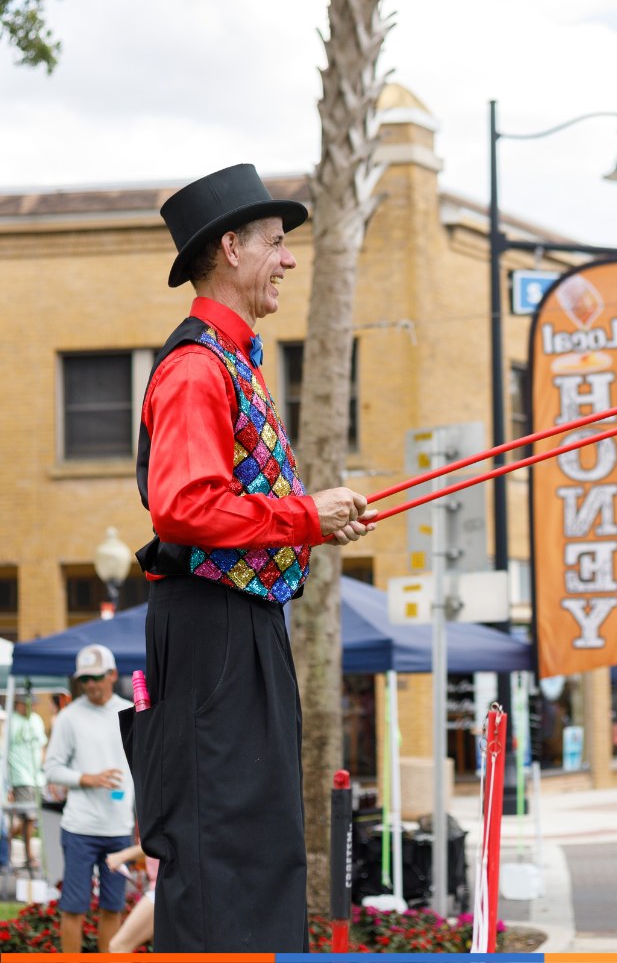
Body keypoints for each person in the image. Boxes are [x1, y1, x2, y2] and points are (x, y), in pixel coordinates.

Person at [127, 163, 377, 953]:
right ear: (230, 248)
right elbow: (185, 505)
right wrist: (304, 515)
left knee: (260, 840)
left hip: (243, 625)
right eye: (276, 242)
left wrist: (309, 521)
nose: (289, 259)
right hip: (213, 631)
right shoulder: (198, 367)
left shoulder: (235, 361)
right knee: (221, 841)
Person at [43, 644, 134, 954]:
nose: (91, 684)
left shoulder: (130, 711)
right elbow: (51, 768)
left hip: (119, 829)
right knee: (74, 908)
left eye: (96, 677)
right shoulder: (69, 717)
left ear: (112, 675)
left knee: (113, 907)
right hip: (80, 828)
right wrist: (87, 779)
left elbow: (141, 768)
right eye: (85, 679)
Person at [6, 690, 46, 872]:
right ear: (19, 703)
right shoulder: (11, 721)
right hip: (20, 776)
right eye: (28, 704)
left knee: (32, 817)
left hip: (37, 777)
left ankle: (5, 839)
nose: (31, 707)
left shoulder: (36, 720)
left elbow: (42, 746)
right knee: (28, 817)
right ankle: (30, 857)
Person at [105, 841, 158, 953]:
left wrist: (122, 856)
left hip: (164, 891)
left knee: (118, 947)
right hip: (167, 887)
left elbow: (158, 841)